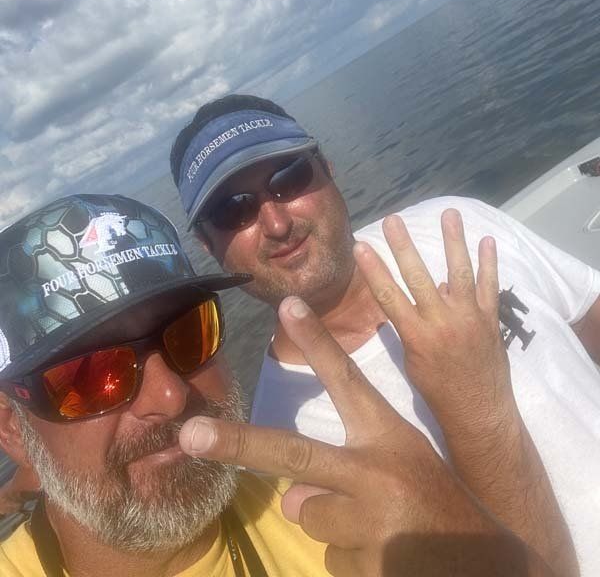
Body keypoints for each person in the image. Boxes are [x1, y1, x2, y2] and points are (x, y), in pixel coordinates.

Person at [0, 193, 555, 577]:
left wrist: (484, 558)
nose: (168, 397)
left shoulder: (342, 531)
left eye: (188, 335)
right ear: (13, 428)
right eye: (90, 375)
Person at [170, 93, 600, 577]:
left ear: (328, 170)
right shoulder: (285, 450)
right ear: (209, 245)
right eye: (234, 211)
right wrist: (475, 407)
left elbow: (588, 314)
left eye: (289, 178)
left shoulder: (455, 224)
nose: (276, 223)